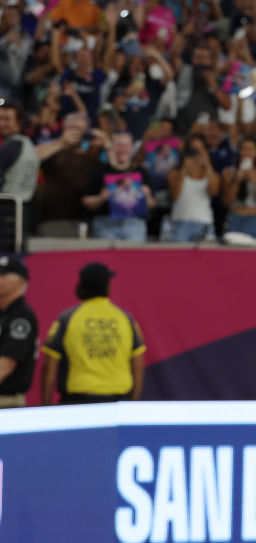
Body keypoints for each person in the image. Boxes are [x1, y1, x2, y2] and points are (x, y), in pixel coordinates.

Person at [40, 263, 146, 405]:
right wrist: (132, 403)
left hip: (77, 402)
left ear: (81, 286)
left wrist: (46, 406)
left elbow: (49, 366)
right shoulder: (125, 318)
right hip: (118, 402)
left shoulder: (67, 318)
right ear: (107, 287)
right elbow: (138, 365)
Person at [166, 135, 220, 242]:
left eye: (201, 150)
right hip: (180, 221)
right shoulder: (174, 173)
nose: (197, 154)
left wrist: (208, 165)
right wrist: (184, 169)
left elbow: (214, 192)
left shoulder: (211, 173)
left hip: (204, 222)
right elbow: (175, 196)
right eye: (194, 150)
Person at [0, 255, 38, 408]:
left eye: (4, 275)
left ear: (21, 281)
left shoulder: (21, 316)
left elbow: (6, 365)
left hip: (6, 401)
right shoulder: (5, 313)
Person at [0, 101, 40, 243]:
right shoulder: (29, 145)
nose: (2, 123)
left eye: (6, 119)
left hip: (7, 214)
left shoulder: (11, 146)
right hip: (24, 211)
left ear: (19, 122)